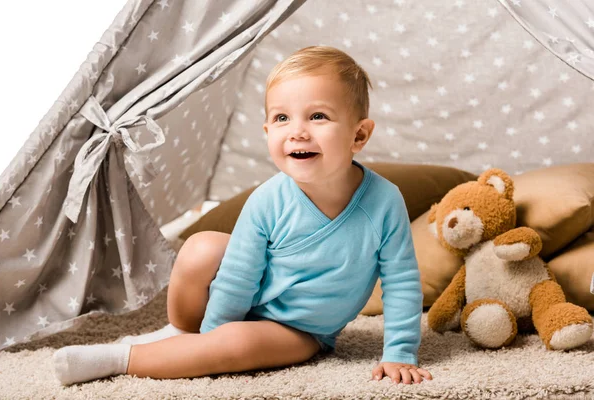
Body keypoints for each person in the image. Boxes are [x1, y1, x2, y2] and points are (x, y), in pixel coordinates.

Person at [53, 45, 432, 386]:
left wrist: (399, 352)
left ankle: (118, 359)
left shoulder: (384, 202)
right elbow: (239, 274)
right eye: (282, 118)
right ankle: (180, 331)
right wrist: (213, 332)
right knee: (200, 247)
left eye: (317, 116)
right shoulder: (267, 199)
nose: (296, 132)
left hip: (297, 329)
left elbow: (400, 281)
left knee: (236, 344)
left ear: (359, 136)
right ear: (267, 130)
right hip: (239, 299)